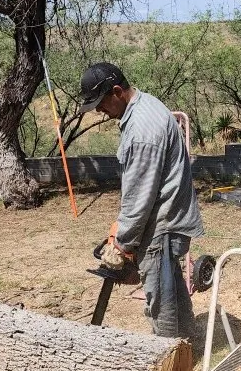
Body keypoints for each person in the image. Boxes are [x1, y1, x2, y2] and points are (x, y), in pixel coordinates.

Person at [78, 62, 204, 339]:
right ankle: (187, 342)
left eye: (101, 103)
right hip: (167, 217)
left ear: (117, 91)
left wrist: (121, 245)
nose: (99, 110)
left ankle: (168, 356)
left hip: (162, 223)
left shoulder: (141, 132)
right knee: (170, 287)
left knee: (160, 299)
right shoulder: (146, 105)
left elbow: (139, 197)